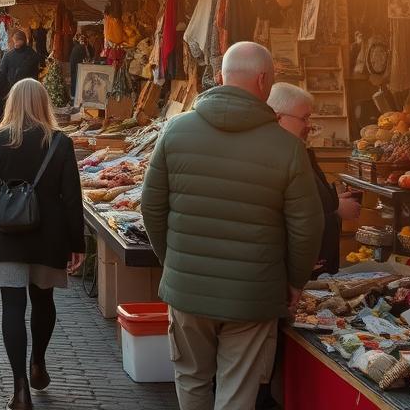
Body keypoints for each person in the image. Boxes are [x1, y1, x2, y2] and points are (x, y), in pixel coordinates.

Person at [140, 42, 322, 410]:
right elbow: (307, 226)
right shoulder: (287, 148)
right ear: (263, 80)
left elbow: (151, 207)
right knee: (237, 389)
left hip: (188, 282)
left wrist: (172, 259)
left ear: (221, 76)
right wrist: (295, 281)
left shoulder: (176, 131)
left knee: (191, 378)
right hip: (252, 293)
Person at [0, 79, 84, 410]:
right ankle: (38, 361)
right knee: (44, 300)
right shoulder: (60, 142)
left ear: (12, 103)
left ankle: (19, 388)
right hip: (49, 237)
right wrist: (77, 244)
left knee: (12, 308)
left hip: (8, 236)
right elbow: (71, 198)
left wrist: (6, 198)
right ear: (44, 103)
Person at [267, 82, 361, 277]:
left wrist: (334, 202)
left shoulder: (297, 151)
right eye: (304, 118)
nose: (309, 126)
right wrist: (336, 208)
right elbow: (286, 215)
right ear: (278, 118)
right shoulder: (275, 158)